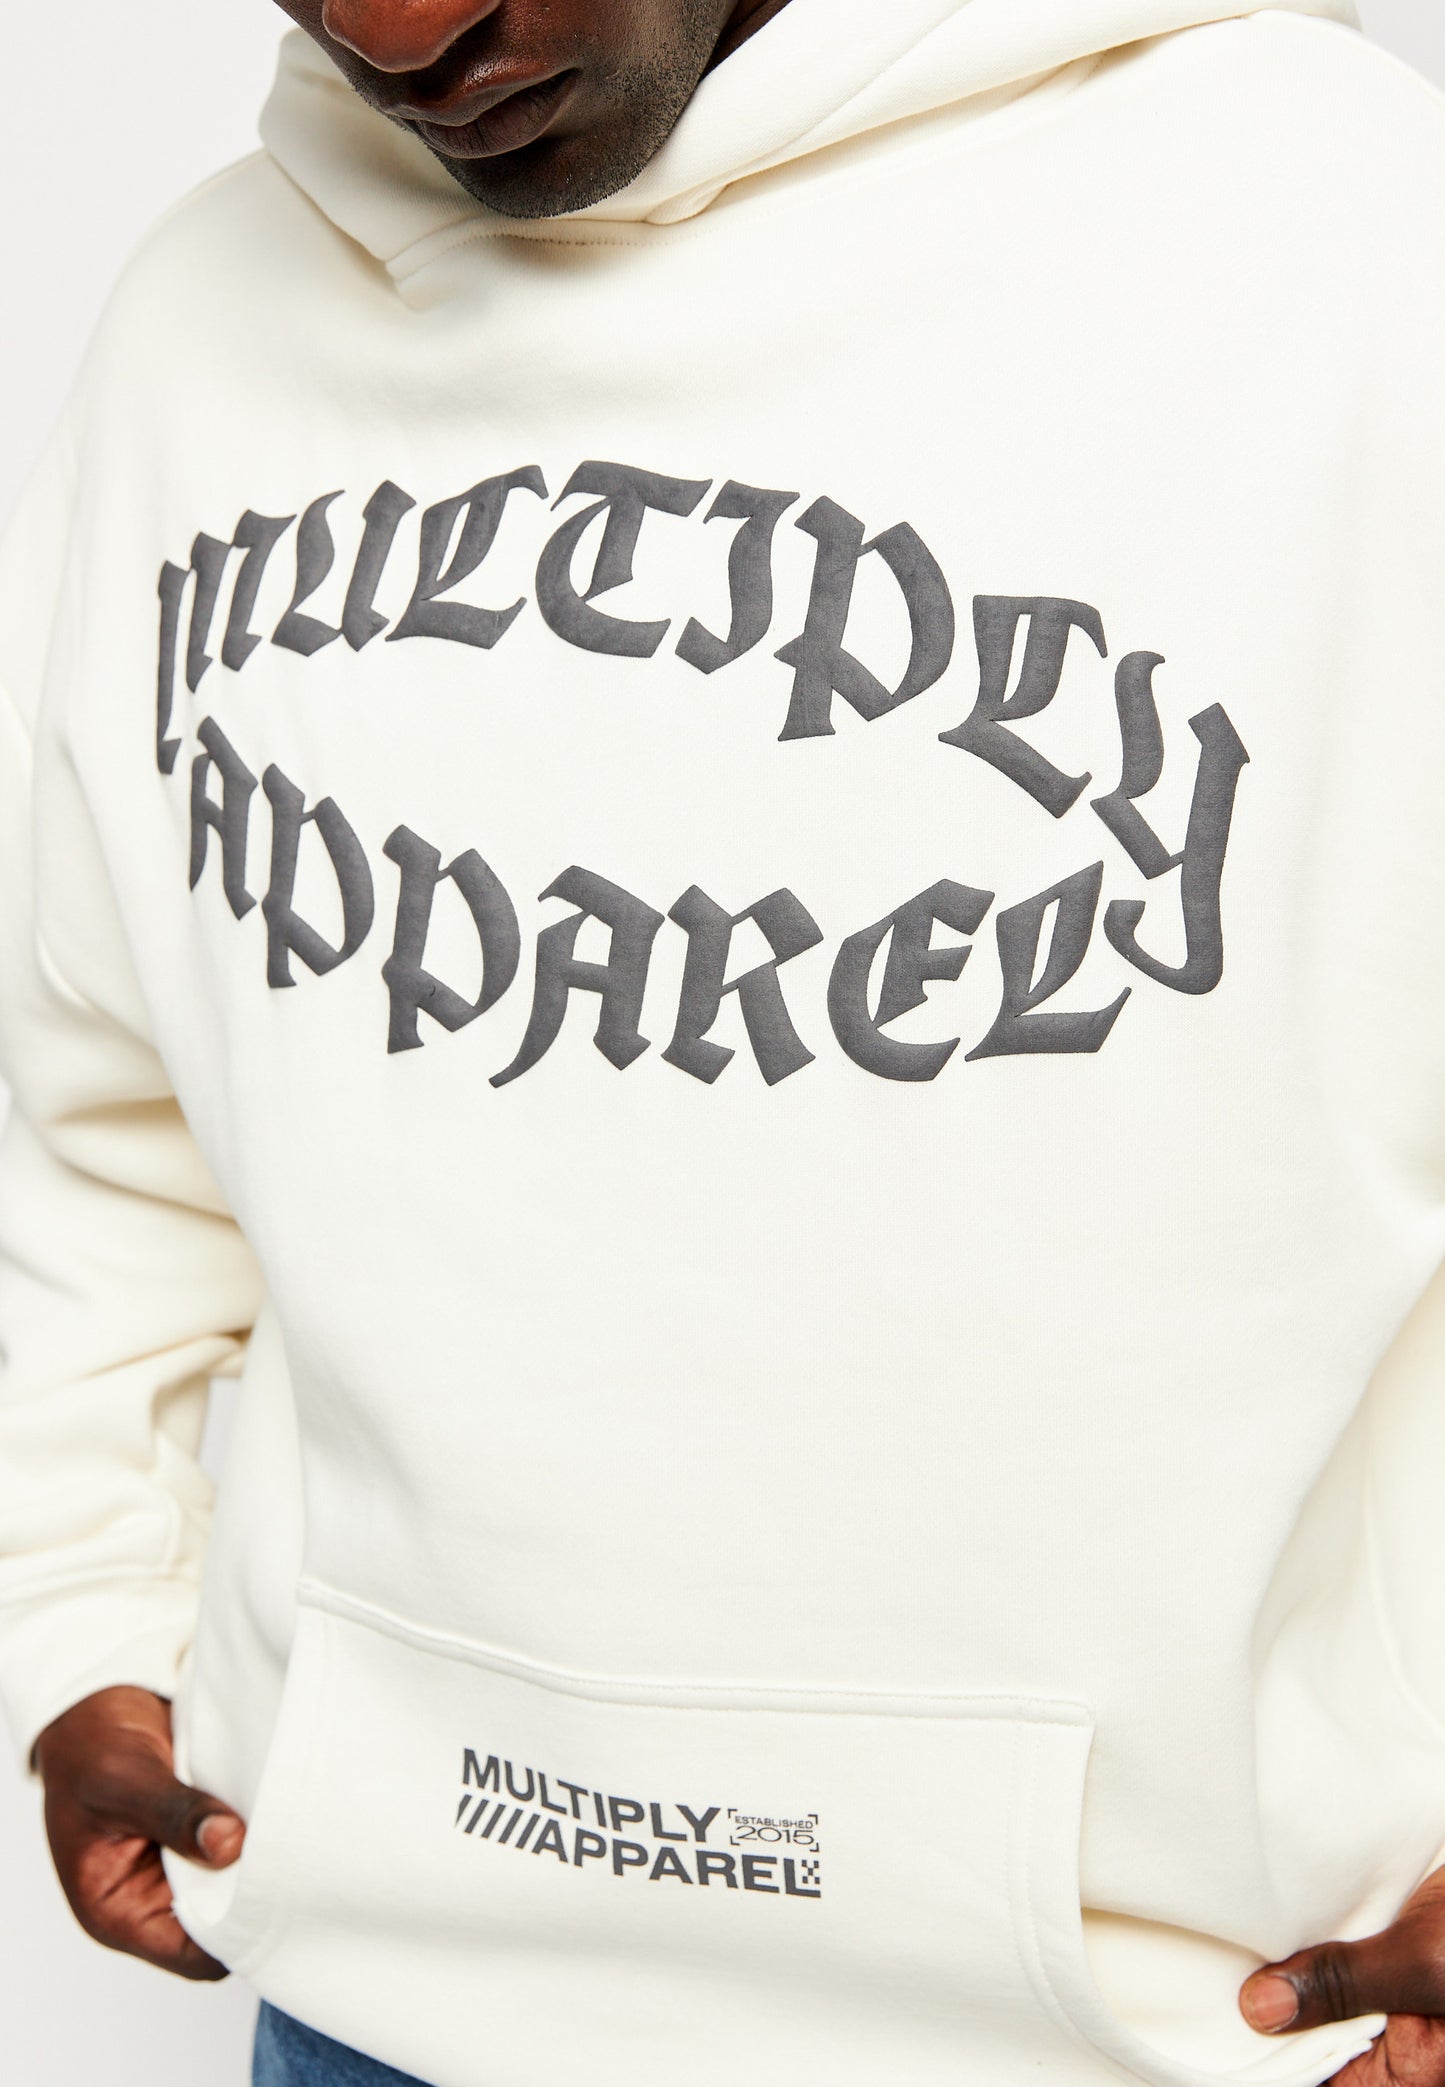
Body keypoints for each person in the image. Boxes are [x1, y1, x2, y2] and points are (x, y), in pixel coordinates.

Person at [5, 0, 1445, 2081]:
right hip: (391, 2003)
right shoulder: (203, 330)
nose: (403, 27)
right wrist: (76, 1614)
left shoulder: (1360, 247)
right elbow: (99, 1104)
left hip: (1168, 2036)